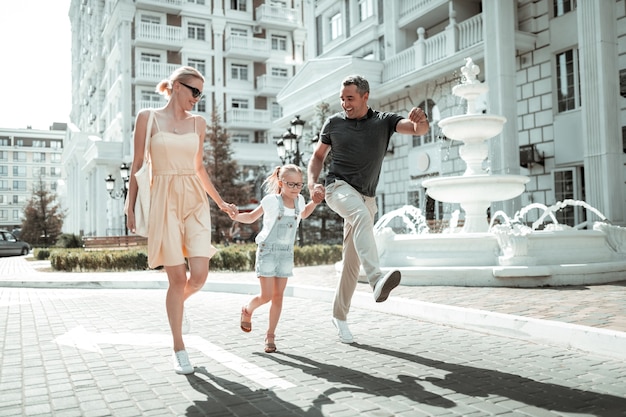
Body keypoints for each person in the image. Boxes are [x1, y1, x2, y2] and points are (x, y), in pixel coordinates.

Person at [126, 66, 237, 375]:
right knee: (177, 280)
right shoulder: (147, 118)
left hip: (194, 199)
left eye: (201, 94)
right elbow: (137, 164)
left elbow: (199, 168)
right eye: (194, 92)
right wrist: (129, 205)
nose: (197, 99)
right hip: (163, 200)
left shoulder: (198, 123)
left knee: (199, 276)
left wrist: (220, 202)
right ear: (176, 86)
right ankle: (178, 346)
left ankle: (177, 307)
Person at [307, 74, 429, 344]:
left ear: (365, 96)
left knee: (351, 264)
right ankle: (376, 279)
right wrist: (312, 183)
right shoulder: (334, 123)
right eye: (342, 99)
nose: (344, 104)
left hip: (366, 198)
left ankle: (339, 317)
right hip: (337, 188)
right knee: (360, 217)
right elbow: (317, 157)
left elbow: (417, 130)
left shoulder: (384, 122)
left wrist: (422, 121)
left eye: (349, 98)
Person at [230, 164, 322, 353]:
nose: (296, 189)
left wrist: (314, 202)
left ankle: (270, 336)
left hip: (286, 253)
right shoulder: (271, 201)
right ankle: (247, 310)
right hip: (267, 251)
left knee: (279, 297)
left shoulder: (301, 200)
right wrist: (236, 215)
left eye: (299, 185)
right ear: (281, 183)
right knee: (266, 296)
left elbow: (303, 214)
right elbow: (251, 218)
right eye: (291, 185)